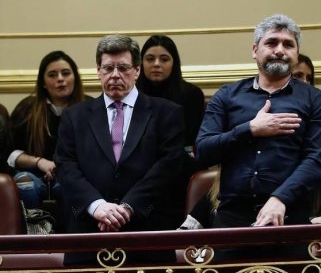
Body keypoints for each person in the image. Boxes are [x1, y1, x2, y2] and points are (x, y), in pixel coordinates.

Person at [196, 14, 321, 258]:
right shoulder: (227, 96)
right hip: (231, 220)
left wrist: (280, 198)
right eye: (272, 43)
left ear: (297, 54)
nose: (280, 50)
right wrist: (249, 129)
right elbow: (204, 152)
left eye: (288, 45)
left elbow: (316, 161)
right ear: (255, 49)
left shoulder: (315, 100)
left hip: (290, 218)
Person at [54, 34, 185, 265]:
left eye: (123, 68)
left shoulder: (167, 112)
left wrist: (128, 207)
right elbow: (66, 167)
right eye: (108, 68)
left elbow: (168, 166)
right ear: (98, 70)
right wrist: (98, 206)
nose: (115, 75)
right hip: (89, 230)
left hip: (147, 230)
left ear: (137, 70)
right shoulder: (74, 117)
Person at [136, 35, 205, 227]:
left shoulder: (191, 95)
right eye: (150, 59)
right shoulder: (130, 94)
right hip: (139, 163)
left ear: (174, 63)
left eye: (164, 59)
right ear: (140, 63)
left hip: (179, 164)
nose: (156, 64)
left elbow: (193, 140)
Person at [7, 51, 88, 211]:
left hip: (73, 175)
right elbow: (11, 154)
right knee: (26, 184)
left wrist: (62, 169)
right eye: (52, 75)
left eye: (65, 73)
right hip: (33, 175)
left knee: (70, 185)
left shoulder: (90, 108)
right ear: (43, 82)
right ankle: (35, 232)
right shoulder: (27, 109)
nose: (60, 79)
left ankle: (73, 235)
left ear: (75, 78)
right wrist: (39, 162)